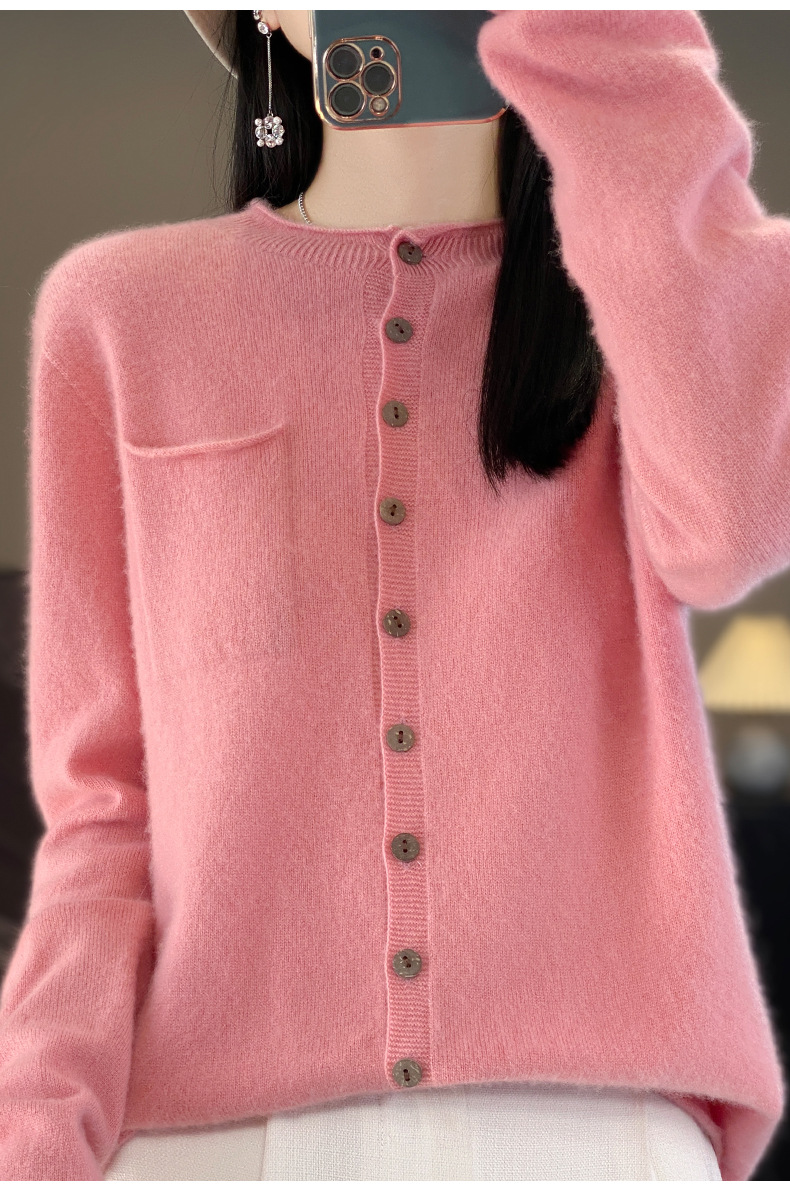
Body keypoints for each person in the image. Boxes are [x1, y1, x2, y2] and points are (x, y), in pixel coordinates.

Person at [0, 7, 787, 1181]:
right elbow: (103, 807)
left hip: (593, 1127)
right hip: (211, 1144)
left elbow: (731, 529)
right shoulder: (120, 316)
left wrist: (600, 43)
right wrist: (30, 1141)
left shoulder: (650, 299)